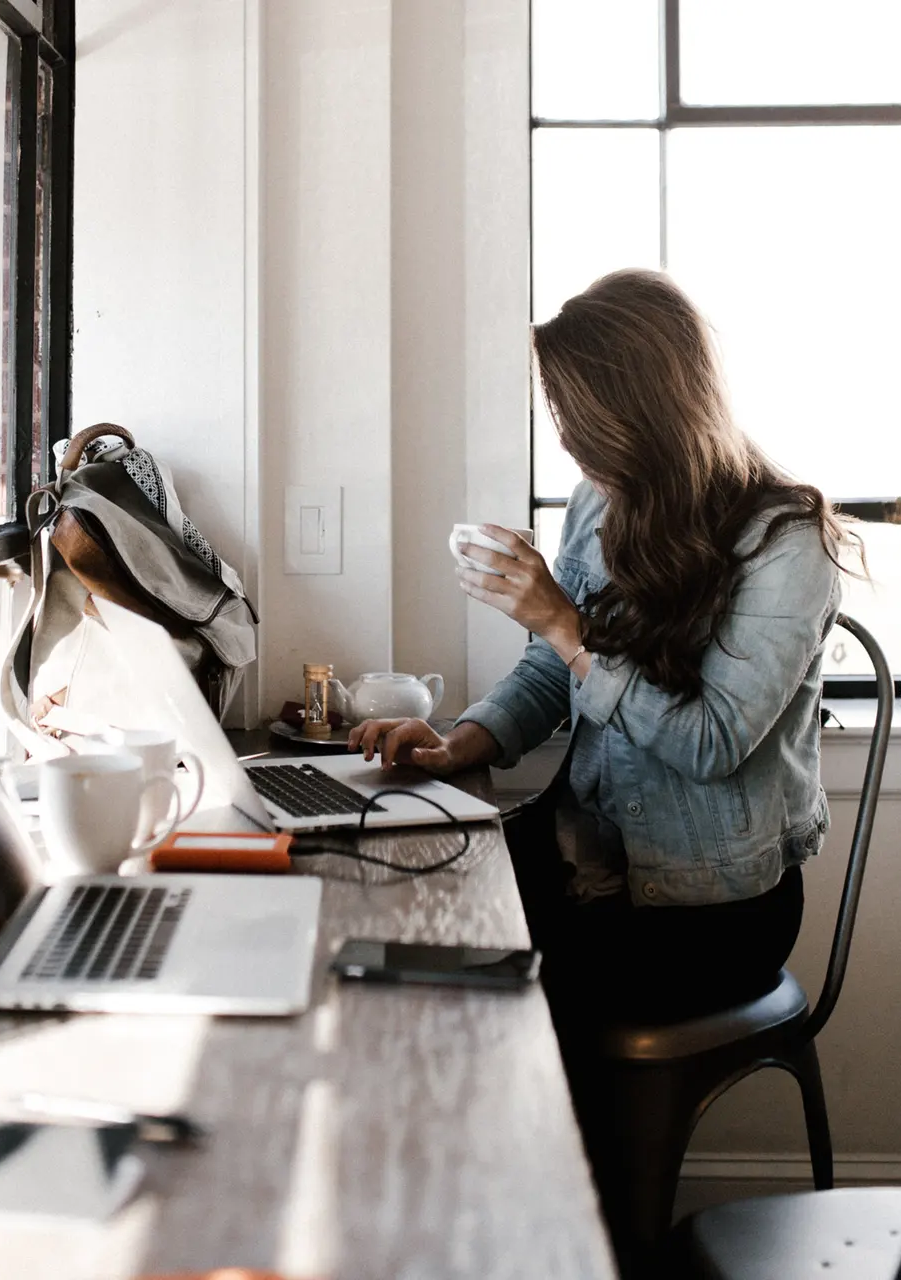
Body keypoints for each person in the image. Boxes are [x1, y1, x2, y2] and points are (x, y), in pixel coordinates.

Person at [347, 269, 859, 1254]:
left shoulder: (784, 540)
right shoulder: (600, 503)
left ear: (639, 408)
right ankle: (437, 1230)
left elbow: (708, 741)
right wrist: (462, 741)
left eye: (572, 410)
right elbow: (552, 664)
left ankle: (559, 1244)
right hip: (588, 860)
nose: (564, 435)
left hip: (710, 908)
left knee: (499, 1006)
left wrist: (565, 625)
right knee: (401, 942)